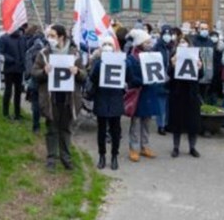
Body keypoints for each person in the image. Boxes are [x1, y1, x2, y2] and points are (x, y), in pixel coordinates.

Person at [31, 24, 87, 171]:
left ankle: (66, 158)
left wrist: (78, 72)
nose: (49, 39)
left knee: (66, 129)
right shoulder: (43, 54)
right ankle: (51, 159)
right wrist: (44, 71)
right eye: (48, 36)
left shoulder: (75, 54)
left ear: (61, 37)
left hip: (69, 99)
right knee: (51, 129)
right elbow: (34, 73)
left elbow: (84, 75)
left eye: (53, 36)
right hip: (51, 99)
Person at [88, 35, 124, 170]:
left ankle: (114, 155)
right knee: (101, 130)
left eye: (110, 44)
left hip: (115, 99)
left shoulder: (120, 61)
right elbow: (92, 77)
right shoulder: (98, 62)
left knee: (115, 130)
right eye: (105, 44)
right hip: (102, 98)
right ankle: (102, 155)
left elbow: (129, 77)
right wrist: (99, 62)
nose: (108, 47)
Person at [125, 29, 161, 162]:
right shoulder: (131, 58)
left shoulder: (152, 56)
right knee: (135, 122)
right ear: (140, 42)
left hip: (149, 92)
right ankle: (133, 148)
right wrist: (142, 81)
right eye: (147, 41)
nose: (149, 44)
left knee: (147, 121)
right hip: (138, 92)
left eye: (150, 41)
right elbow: (130, 77)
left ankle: (145, 146)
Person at [166, 36, 204, 158]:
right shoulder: (174, 55)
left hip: (191, 93)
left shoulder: (196, 55)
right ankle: (175, 147)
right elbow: (169, 74)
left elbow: (200, 76)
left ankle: (192, 147)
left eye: (185, 42)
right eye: (180, 42)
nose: (182, 44)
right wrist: (172, 65)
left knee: (192, 122)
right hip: (177, 93)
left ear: (189, 43)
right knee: (177, 122)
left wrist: (200, 67)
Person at [0, 24, 27, 120]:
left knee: (18, 91)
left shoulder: (22, 38)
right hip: (9, 68)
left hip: (20, 69)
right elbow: (1, 52)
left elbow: (25, 50)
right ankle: (5, 112)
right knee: (8, 91)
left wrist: (23, 61)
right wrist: (11, 59)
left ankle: (17, 113)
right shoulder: (4, 38)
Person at [153, 25, 174, 135]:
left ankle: (167, 123)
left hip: (171, 79)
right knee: (161, 103)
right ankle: (161, 125)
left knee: (169, 103)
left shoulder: (173, 47)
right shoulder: (157, 47)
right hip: (160, 79)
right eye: (165, 34)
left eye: (169, 34)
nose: (167, 36)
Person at [24, 25, 46, 133]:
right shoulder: (37, 49)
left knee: (37, 105)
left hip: (38, 81)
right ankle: (36, 126)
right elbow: (30, 68)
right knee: (37, 104)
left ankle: (36, 126)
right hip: (38, 81)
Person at [192, 22, 217, 106]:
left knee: (204, 97)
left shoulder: (210, 42)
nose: (204, 31)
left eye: (206, 29)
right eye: (202, 29)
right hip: (197, 74)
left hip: (208, 74)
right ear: (198, 30)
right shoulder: (194, 41)